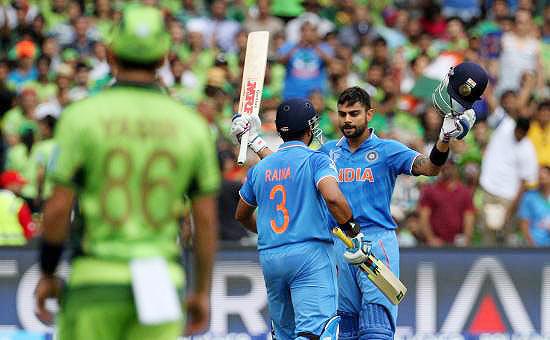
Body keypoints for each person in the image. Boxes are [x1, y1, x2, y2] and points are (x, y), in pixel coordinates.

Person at [232, 62, 487, 339]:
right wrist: (253, 140)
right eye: (342, 114)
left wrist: (443, 140)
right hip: (338, 245)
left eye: (354, 114)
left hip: (375, 241)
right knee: (346, 331)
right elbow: (290, 166)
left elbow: (430, 168)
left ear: (370, 114)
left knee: (376, 329)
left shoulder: (387, 150)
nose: (347, 120)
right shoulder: (327, 152)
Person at [34, 5, 220, 340]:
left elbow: (58, 208)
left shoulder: (81, 117)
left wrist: (47, 272)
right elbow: (205, 221)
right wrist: (202, 290)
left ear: (110, 54)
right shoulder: (191, 126)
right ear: (164, 57)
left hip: (95, 276)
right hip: (161, 280)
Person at [235, 98, 359, 340]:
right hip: (310, 255)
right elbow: (333, 198)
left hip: (271, 256)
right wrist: (354, 231)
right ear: (310, 128)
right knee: (317, 333)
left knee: (284, 334)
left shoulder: (260, 169)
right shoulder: (317, 160)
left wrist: (267, 231)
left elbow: (241, 214)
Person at [418, 160, 475, 246]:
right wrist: (430, 238)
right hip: (437, 243)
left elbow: (469, 216)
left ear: (455, 169)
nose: (447, 169)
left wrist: (466, 238)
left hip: (457, 242)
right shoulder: (430, 190)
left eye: (450, 167)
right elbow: (424, 216)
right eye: (444, 166)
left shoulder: (464, 192)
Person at [517, 166, 550, 247]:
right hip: (536, 246)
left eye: (544, 178)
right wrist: (532, 246)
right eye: (539, 178)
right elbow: (524, 223)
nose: (542, 182)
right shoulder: (529, 197)